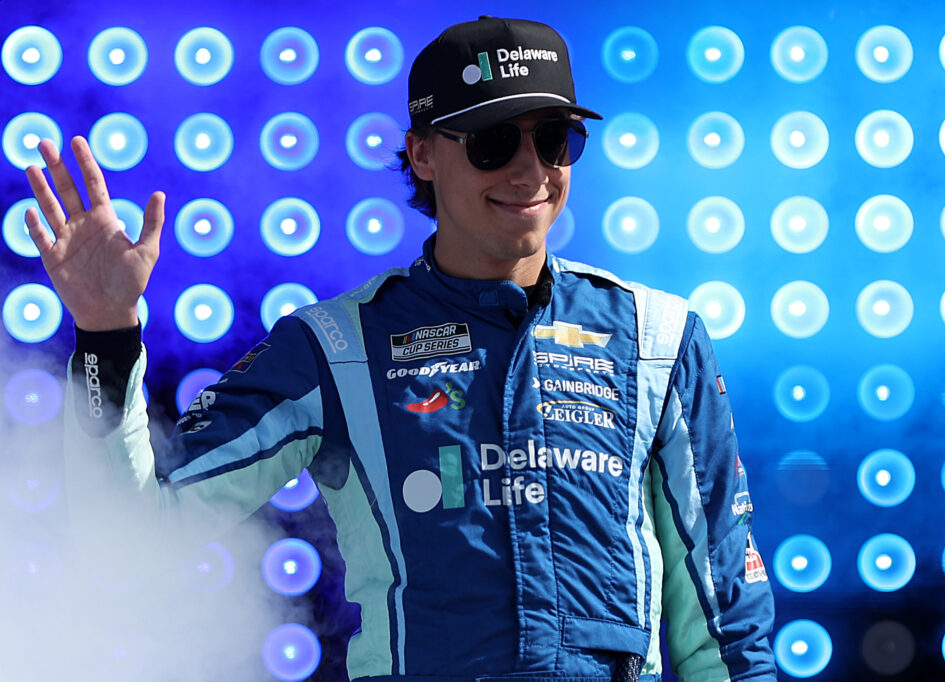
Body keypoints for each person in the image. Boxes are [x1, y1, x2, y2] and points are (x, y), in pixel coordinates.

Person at [25, 15, 776, 682]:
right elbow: (127, 536)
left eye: (553, 139)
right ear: (421, 154)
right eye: (491, 141)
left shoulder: (657, 337)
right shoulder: (336, 347)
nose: (529, 170)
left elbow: (725, 626)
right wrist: (104, 335)